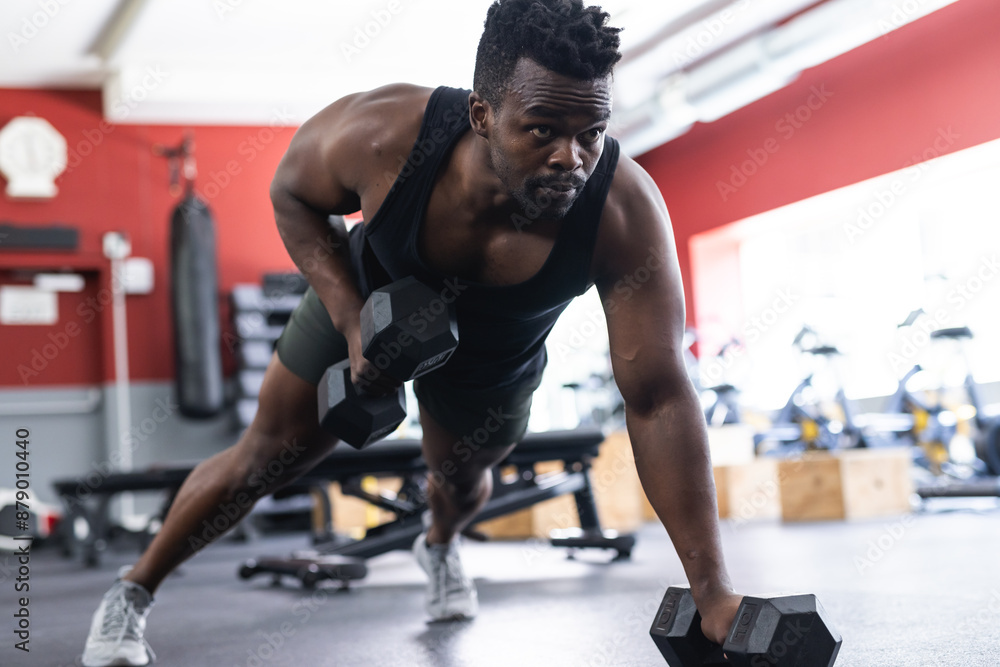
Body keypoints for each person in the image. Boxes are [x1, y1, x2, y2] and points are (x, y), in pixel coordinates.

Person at [81, 1, 744, 664]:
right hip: (369, 298)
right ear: (482, 114)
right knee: (267, 456)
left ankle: (440, 543)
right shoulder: (384, 135)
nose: (570, 158)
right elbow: (292, 193)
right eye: (542, 129)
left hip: (495, 358)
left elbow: (658, 397)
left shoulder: (623, 212)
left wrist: (712, 591)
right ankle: (132, 590)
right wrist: (348, 318)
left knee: (459, 479)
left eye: (590, 132)